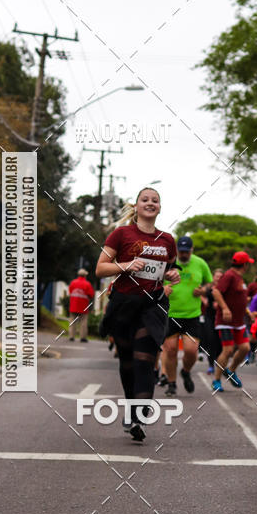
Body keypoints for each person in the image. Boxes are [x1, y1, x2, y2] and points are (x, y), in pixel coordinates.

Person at [96, 187, 180, 442]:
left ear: (160, 207)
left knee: (145, 358)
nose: (150, 203)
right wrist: (125, 265)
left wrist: (173, 274)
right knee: (128, 362)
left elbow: (172, 268)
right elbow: (100, 269)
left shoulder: (167, 239)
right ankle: (131, 407)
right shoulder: (121, 234)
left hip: (151, 306)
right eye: (145, 199)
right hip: (123, 304)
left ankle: (138, 414)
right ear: (137, 205)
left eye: (155, 200)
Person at [161, 236, 213, 396]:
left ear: (192, 250)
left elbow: (210, 283)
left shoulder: (200, 263)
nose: (183, 255)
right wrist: (163, 290)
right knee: (170, 350)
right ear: (177, 250)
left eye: (186, 252)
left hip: (192, 315)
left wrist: (203, 290)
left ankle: (185, 371)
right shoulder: (167, 262)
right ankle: (171, 383)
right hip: (170, 314)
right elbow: (153, 281)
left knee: (191, 351)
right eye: (181, 251)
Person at [211, 251, 254, 392]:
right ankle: (216, 380)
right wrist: (225, 309)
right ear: (245, 264)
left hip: (239, 322)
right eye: (248, 263)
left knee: (245, 348)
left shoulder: (240, 278)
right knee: (228, 350)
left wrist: (248, 312)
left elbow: (239, 300)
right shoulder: (229, 275)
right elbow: (216, 292)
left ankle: (231, 370)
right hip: (226, 321)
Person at [201, 268, 223, 374]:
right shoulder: (209, 288)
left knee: (220, 343)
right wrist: (205, 300)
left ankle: (218, 364)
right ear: (213, 277)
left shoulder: (224, 289)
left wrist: (220, 304)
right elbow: (199, 291)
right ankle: (211, 365)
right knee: (210, 340)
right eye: (217, 276)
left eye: (220, 276)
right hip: (209, 317)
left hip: (221, 319)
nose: (218, 278)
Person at [68, 268, 95, 342]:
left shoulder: (73, 282)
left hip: (73, 305)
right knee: (83, 322)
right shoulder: (87, 284)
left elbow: (70, 292)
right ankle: (83, 337)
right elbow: (91, 294)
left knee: (72, 321)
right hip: (83, 306)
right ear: (85, 275)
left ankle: (71, 336)